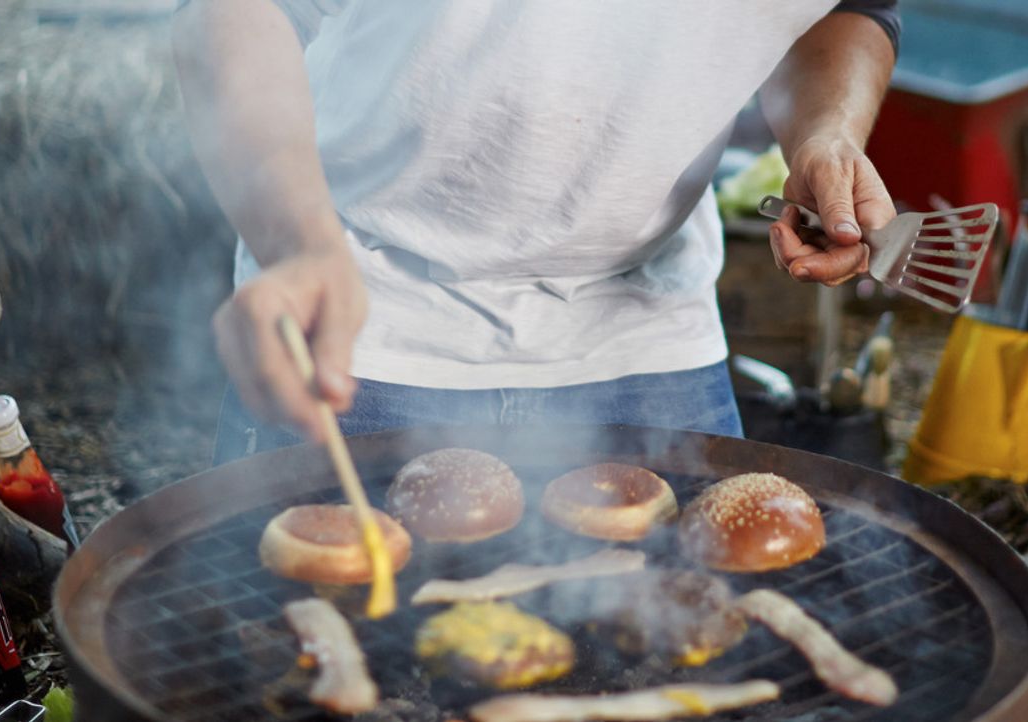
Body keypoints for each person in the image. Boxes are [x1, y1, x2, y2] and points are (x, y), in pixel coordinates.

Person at [171, 1, 901, 463]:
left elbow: (848, 9)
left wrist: (826, 133)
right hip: (366, 313)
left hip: (647, 330)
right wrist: (297, 244)